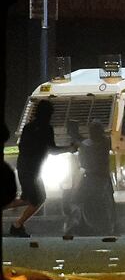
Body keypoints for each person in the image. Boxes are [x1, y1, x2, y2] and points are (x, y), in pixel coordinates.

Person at [4, 100, 77, 237]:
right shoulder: (46, 128)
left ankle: (16, 222)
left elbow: (23, 147)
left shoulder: (28, 127)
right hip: (33, 169)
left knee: (29, 198)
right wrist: (69, 148)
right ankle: (17, 225)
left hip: (24, 166)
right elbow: (52, 149)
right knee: (39, 198)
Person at [67, 121, 116, 235]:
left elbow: (84, 143)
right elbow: (85, 142)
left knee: (78, 200)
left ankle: (75, 225)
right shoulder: (105, 142)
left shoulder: (94, 144)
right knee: (103, 204)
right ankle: (107, 228)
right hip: (102, 178)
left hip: (93, 178)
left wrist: (74, 133)